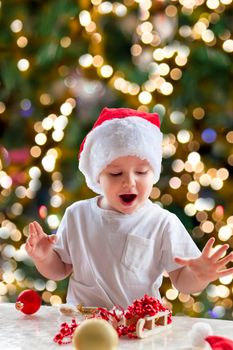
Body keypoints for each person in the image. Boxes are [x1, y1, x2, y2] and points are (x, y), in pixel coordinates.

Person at [25, 107, 233, 309]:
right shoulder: (77, 215)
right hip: (83, 323)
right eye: (116, 174)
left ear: (154, 174)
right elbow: (60, 269)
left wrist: (199, 276)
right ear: (98, 176)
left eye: (141, 172)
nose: (130, 182)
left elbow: (181, 279)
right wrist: (44, 258)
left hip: (137, 326)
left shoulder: (162, 222)